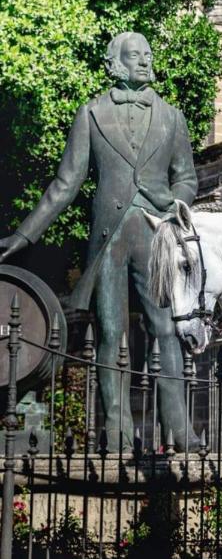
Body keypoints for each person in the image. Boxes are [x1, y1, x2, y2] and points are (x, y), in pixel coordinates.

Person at [0, 32, 200, 450]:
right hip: (109, 238)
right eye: (135, 56)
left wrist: (177, 204)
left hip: (155, 232)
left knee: (165, 328)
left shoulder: (172, 116)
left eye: (148, 55)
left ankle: (179, 432)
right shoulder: (91, 113)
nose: (145, 62)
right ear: (116, 63)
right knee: (110, 335)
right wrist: (24, 233)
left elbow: (186, 177)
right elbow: (65, 184)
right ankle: (116, 434)